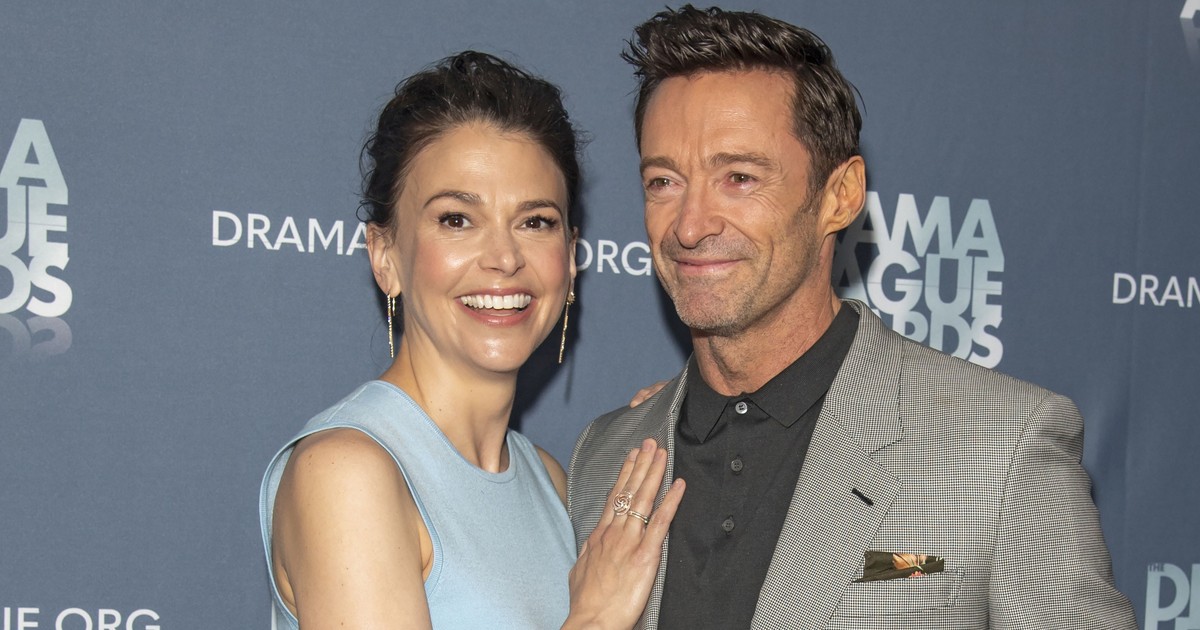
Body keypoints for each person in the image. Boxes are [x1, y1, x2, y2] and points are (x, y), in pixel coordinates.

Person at [566, 6, 1137, 629]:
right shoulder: (606, 456)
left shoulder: (999, 447)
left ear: (839, 196)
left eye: (740, 177)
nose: (690, 224)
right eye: (663, 182)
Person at [258, 51, 684, 629]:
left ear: (570, 257)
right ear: (385, 255)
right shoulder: (346, 472)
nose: (504, 258)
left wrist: (676, 418)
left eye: (535, 221)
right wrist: (594, 619)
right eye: (456, 219)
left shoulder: (548, 479)